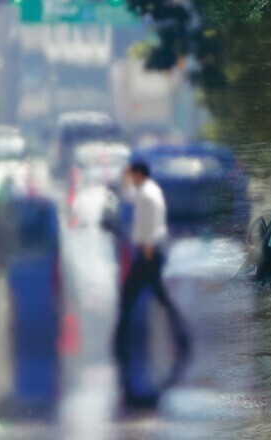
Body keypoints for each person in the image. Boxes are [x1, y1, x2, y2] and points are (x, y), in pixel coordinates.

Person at [113, 160, 189, 406]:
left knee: (129, 296)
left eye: (132, 175)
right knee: (159, 296)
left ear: (139, 174)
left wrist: (146, 251)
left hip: (148, 254)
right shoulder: (147, 191)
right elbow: (128, 196)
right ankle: (181, 336)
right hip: (150, 254)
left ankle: (120, 341)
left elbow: (150, 224)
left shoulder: (149, 195)